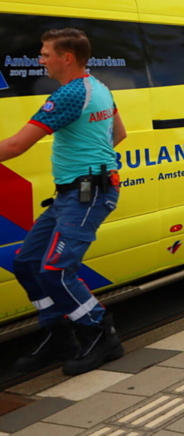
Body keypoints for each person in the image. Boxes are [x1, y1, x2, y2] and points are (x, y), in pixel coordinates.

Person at [0, 28, 127, 376]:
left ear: (66, 58)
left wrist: (90, 174)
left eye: (44, 53)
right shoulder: (98, 87)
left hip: (88, 194)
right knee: (26, 262)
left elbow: (14, 147)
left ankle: (101, 334)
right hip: (76, 192)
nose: (40, 59)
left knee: (55, 270)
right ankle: (59, 335)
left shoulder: (69, 95)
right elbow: (119, 134)